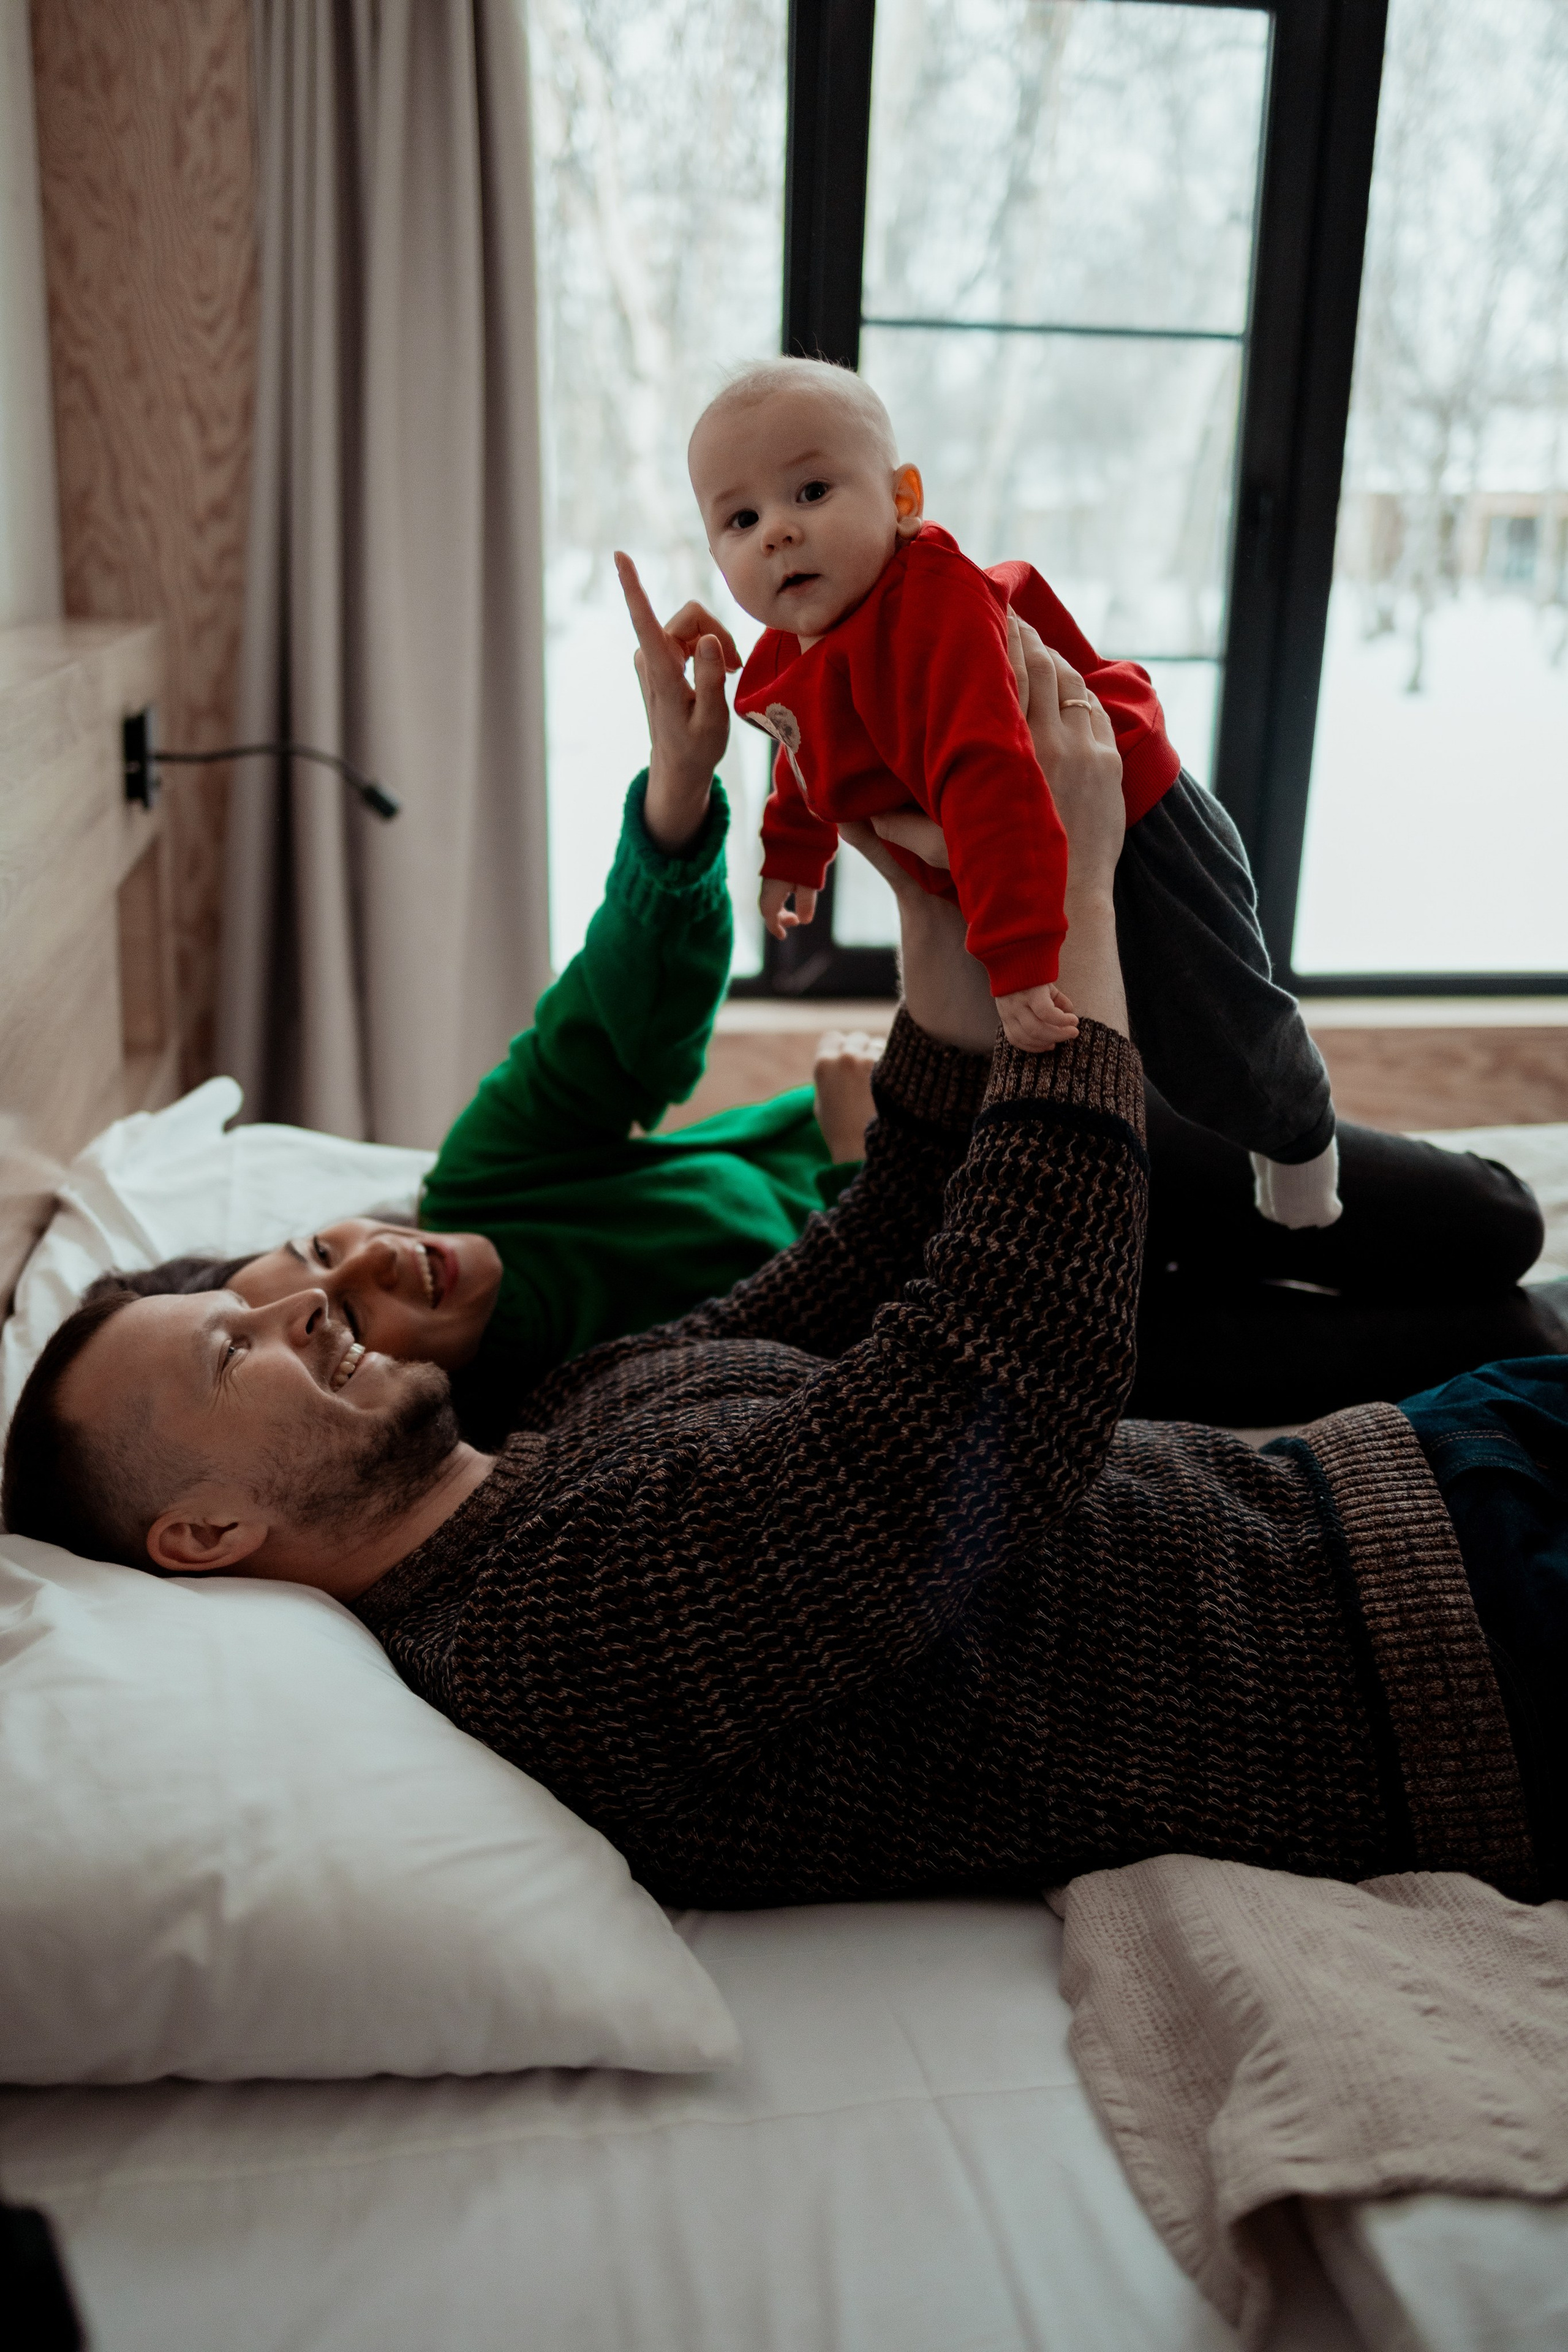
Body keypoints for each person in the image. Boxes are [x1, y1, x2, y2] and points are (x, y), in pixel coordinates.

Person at [4, 631, 1561, 1910]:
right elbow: (1000, 1386)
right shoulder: (547, 1641)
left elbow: (871, 1250)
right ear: (202, 1533)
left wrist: (939, 923)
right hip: (1459, 1641)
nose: (297, 1304)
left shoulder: (552, 1428)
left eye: (269, 1291)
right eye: (233, 1350)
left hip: (1400, 1484)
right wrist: (1069, 911)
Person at [89, 580, 1556, 1435]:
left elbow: (628, 1010)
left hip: (1013, 1113)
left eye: (324, 1249)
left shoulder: (486, 1181)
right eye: (351, 1318)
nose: (377, 1260)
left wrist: (681, 790)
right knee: (1496, 1342)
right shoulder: (579, 1409)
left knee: (1488, 1222)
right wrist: (868, 1159)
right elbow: (859, 1385)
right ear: (371, 1387)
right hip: (1022, 1306)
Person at [689, 353, 1339, 1226]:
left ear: (903, 500)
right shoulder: (788, 650)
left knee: (1214, 1034)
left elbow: (990, 778)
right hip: (1019, 851)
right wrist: (794, 853)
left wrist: (1024, 958)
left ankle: (1304, 1142)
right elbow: (803, 749)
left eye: (811, 492)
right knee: (1131, 1048)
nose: (777, 532)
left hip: (1139, 822)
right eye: (742, 518)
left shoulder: (934, 609)